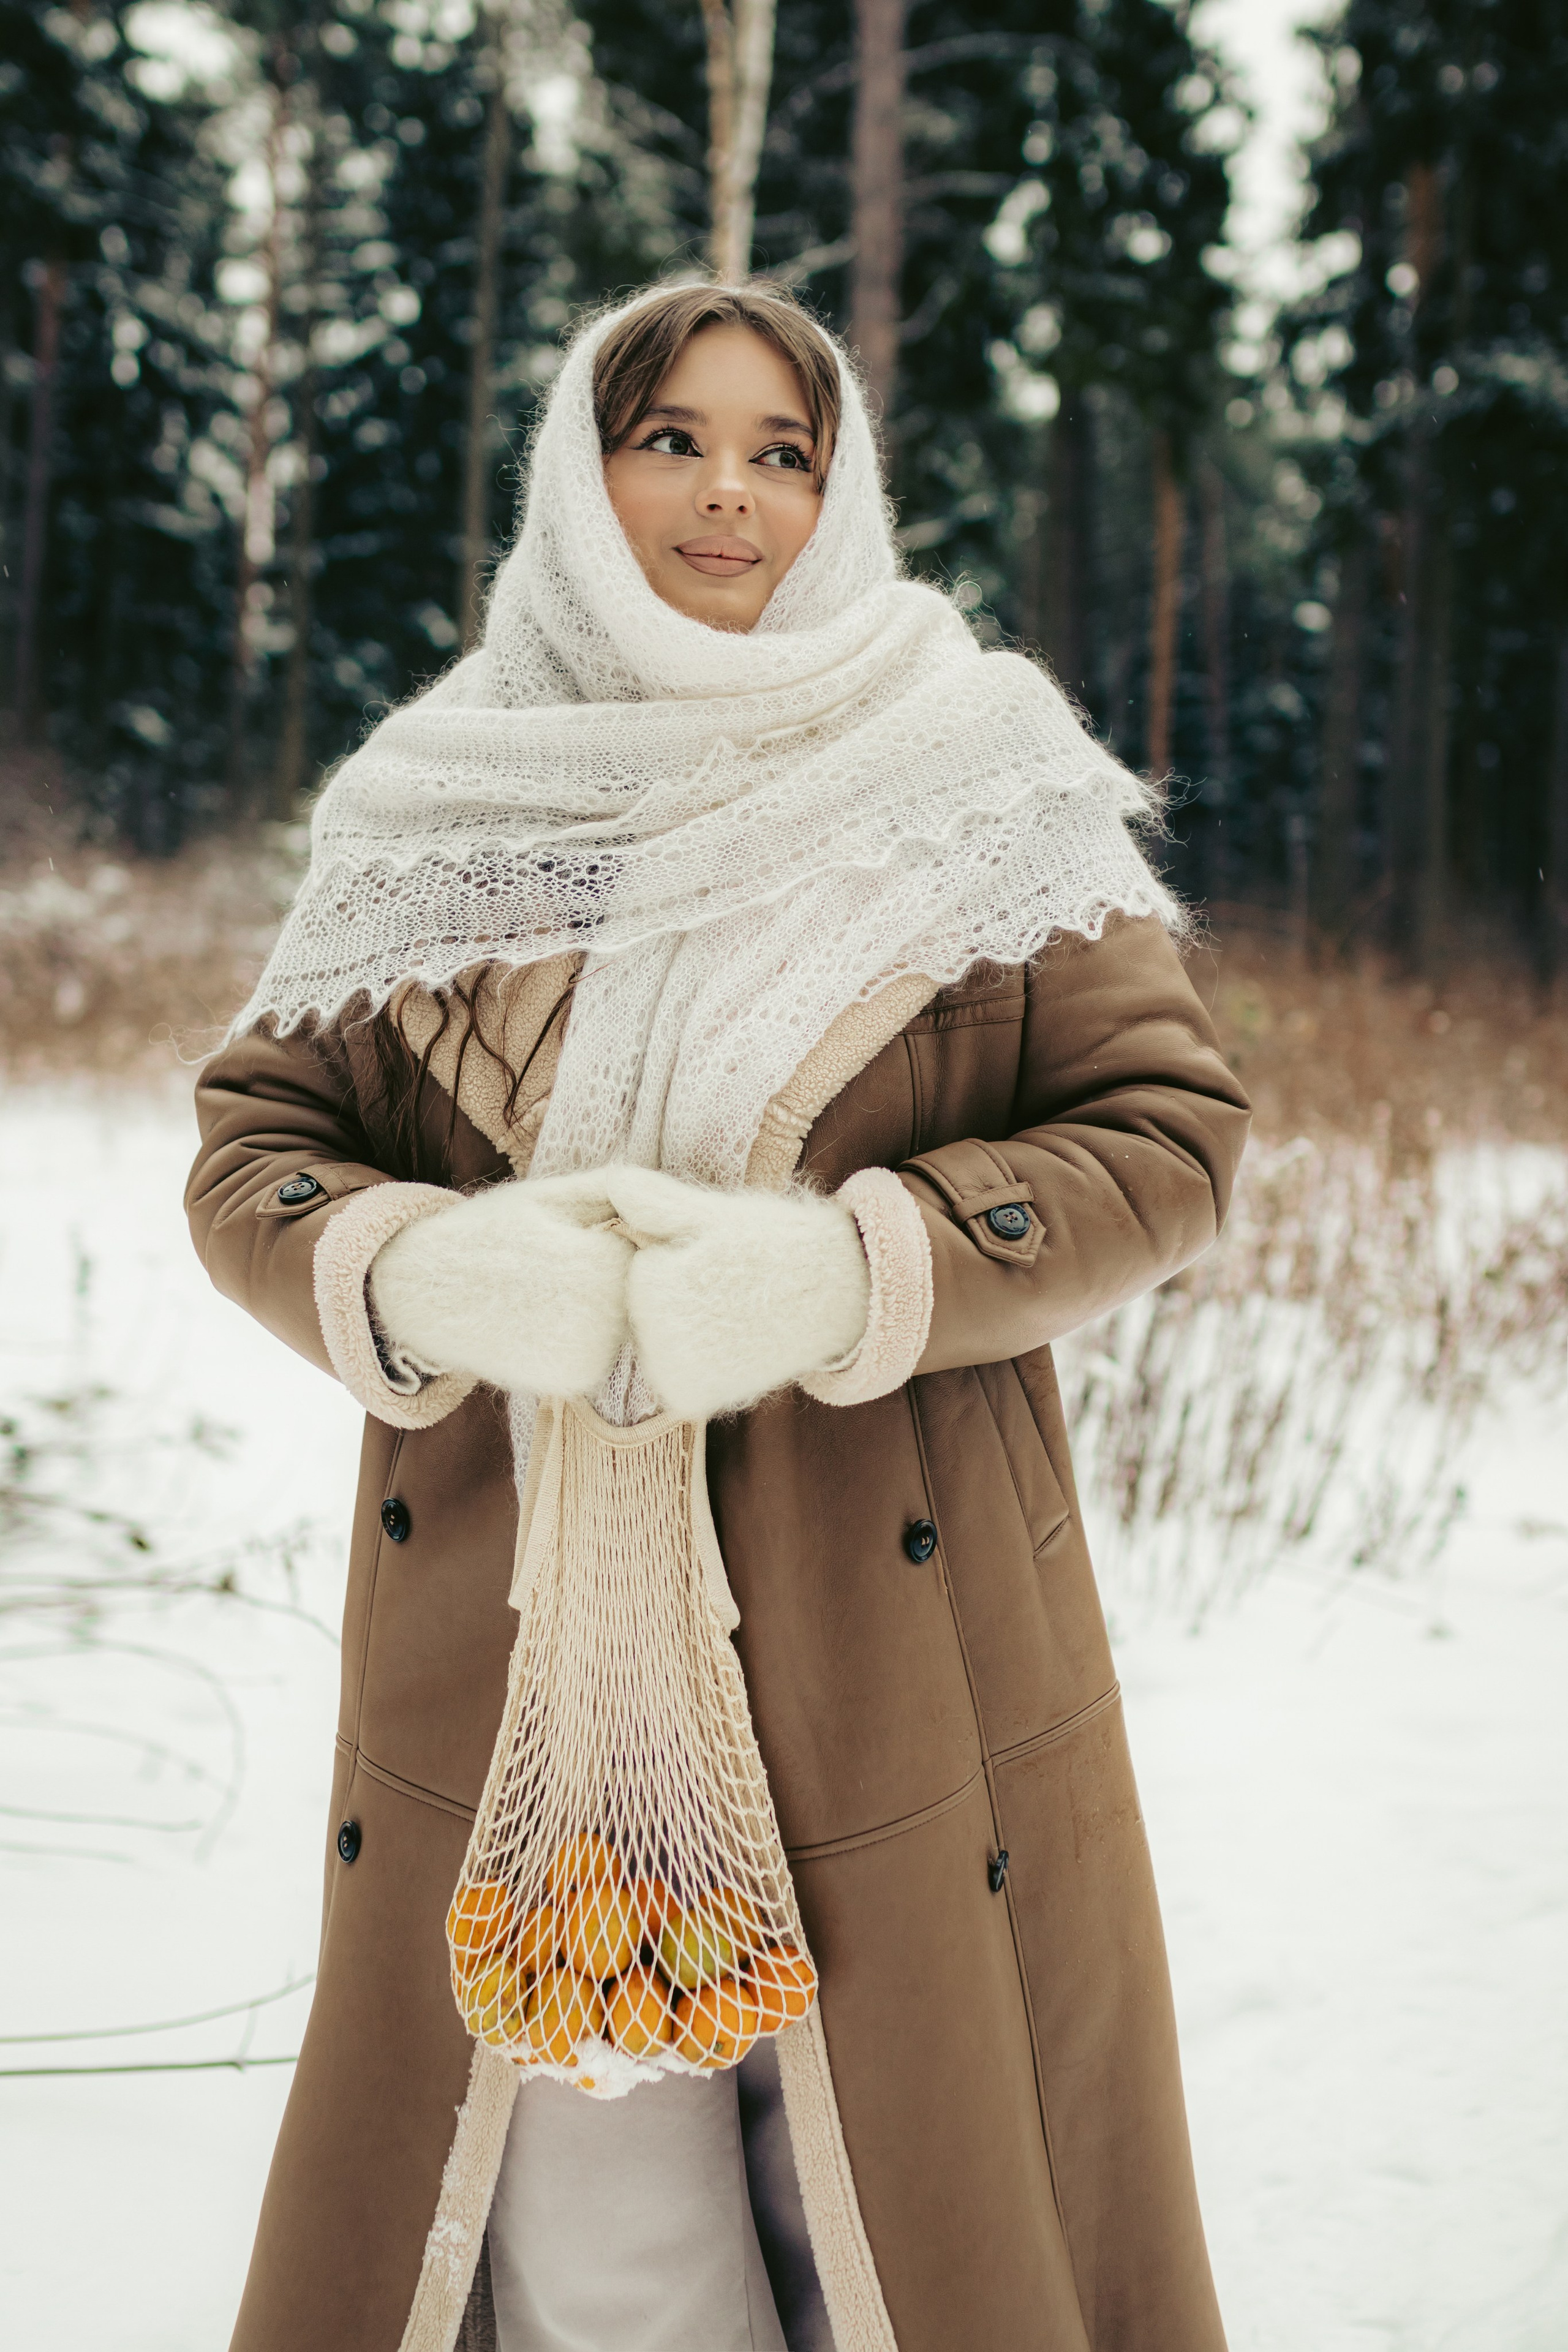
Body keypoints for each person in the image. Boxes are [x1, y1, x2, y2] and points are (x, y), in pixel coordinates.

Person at [187, 280, 1250, 2352]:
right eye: (672, 437)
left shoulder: (976, 776)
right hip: (522, 1660)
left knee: (903, 2236)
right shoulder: (444, 798)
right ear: (578, 480)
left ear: (841, 489)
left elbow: (1170, 1133)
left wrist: (853, 1271)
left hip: (899, 1636)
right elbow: (258, 1146)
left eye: (787, 451)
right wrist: (415, 1264)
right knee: (589, 2246)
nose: (732, 496)